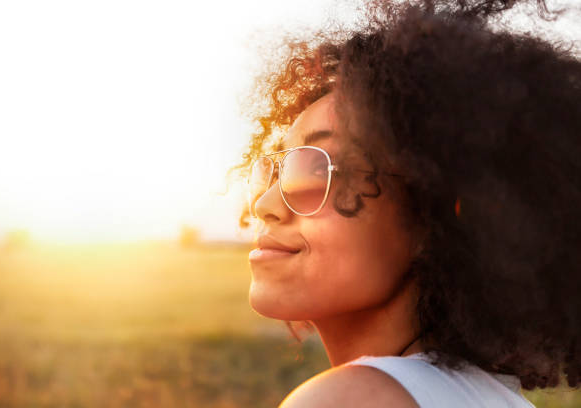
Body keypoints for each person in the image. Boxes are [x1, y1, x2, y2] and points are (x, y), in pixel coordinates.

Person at [234, 0, 581, 406]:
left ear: (432, 221)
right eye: (274, 169)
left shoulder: (344, 400)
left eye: (314, 170)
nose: (265, 205)